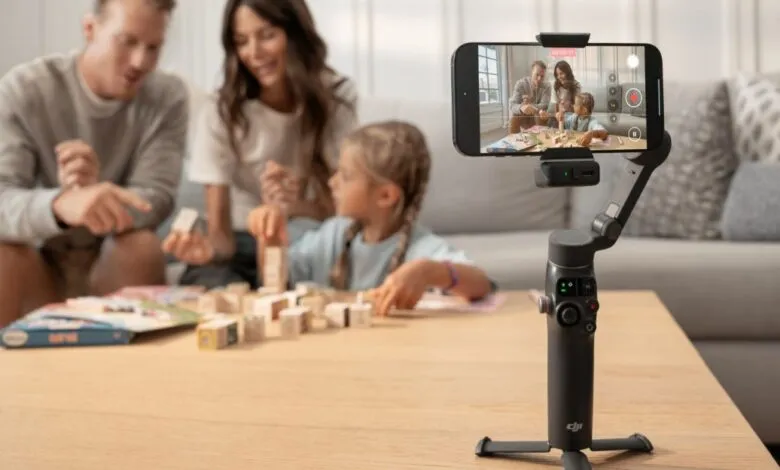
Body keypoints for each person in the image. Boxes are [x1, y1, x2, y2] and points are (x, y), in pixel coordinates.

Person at [0, 0, 188, 328]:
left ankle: (134, 374)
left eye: (153, 48)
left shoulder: (167, 97)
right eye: (127, 41)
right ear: (90, 30)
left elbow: (157, 199)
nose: (140, 61)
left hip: (113, 262)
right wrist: (61, 204)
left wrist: (100, 195)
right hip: (38, 263)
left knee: (142, 247)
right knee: (3, 254)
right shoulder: (25, 89)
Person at [163, 0, 358, 290]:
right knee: (214, 285)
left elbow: (344, 211)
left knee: (309, 284)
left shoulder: (335, 96)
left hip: (302, 238)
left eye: (267, 35)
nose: (253, 54)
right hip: (240, 241)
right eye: (241, 41)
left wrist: (290, 207)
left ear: (296, 34)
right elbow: (221, 238)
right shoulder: (221, 111)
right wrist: (207, 252)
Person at [246, 120, 495, 316]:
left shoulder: (421, 250)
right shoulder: (333, 234)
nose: (332, 183)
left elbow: (481, 284)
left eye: (345, 176)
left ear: (385, 195)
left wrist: (429, 272)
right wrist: (270, 236)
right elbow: (280, 281)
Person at [508, 60, 551, 133]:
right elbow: (512, 105)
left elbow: (544, 105)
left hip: (538, 116)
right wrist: (521, 107)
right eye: (537, 75)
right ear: (532, 72)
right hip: (522, 115)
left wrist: (530, 106)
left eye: (542, 76)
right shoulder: (521, 83)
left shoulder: (547, 86)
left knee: (540, 115)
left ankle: (541, 141)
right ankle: (513, 142)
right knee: (514, 118)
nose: (539, 79)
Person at [548, 60, 581, 127]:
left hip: (572, 114)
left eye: (561, 73)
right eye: (557, 74)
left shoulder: (576, 85)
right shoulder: (556, 85)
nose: (559, 77)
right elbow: (556, 104)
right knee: (552, 122)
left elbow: (577, 105)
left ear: (568, 73)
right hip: (560, 114)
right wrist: (557, 114)